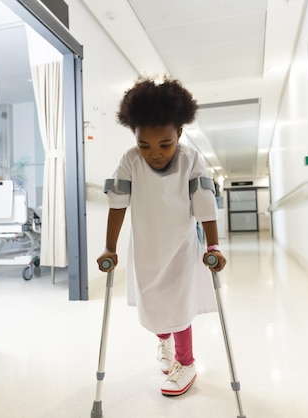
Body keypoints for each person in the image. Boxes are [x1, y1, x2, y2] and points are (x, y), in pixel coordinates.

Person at [97, 75, 227, 397]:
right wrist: (108, 248)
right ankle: (164, 347)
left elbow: (204, 203)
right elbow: (117, 205)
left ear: (179, 134)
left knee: (179, 306)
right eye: (145, 145)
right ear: (135, 138)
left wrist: (213, 245)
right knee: (154, 306)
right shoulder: (130, 161)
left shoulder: (189, 160)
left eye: (165, 145)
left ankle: (187, 362)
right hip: (145, 249)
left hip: (181, 246)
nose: (154, 154)